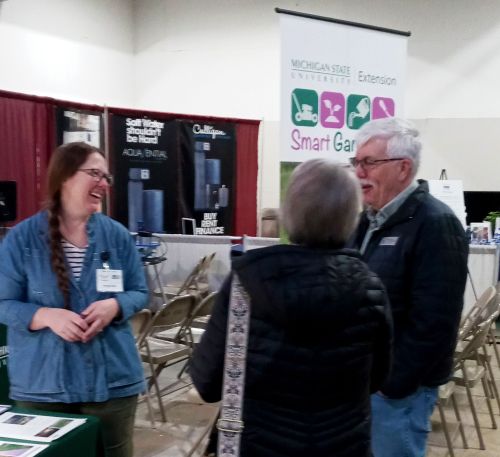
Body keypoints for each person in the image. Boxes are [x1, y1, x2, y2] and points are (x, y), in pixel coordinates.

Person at [190, 159, 392, 457]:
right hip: (344, 445)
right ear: (351, 217)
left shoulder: (245, 285)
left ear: (289, 213)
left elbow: (208, 383)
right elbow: (376, 380)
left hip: (259, 445)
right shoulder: (371, 289)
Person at [0, 142, 148, 457]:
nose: (104, 183)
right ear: (65, 177)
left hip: (111, 383)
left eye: (107, 176)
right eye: (95, 173)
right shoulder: (21, 240)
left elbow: (139, 291)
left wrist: (116, 306)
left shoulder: (117, 236)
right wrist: (45, 316)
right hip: (42, 385)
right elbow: (3, 303)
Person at [349, 118, 469, 457]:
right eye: (356, 162)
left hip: (397, 395)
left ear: (403, 168)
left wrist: (393, 385)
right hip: (363, 383)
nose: (359, 172)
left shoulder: (435, 223)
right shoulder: (366, 220)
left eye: (369, 162)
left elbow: (435, 322)